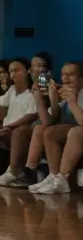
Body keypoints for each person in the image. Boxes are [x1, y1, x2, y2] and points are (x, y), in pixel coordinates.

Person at [28, 61, 81, 195]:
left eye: (71, 75)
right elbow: (47, 121)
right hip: (70, 134)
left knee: (76, 132)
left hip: (78, 133)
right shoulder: (63, 92)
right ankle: (51, 176)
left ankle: (62, 179)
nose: (66, 79)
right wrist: (43, 99)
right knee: (45, 130)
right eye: (63, 75)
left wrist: (72, 102)